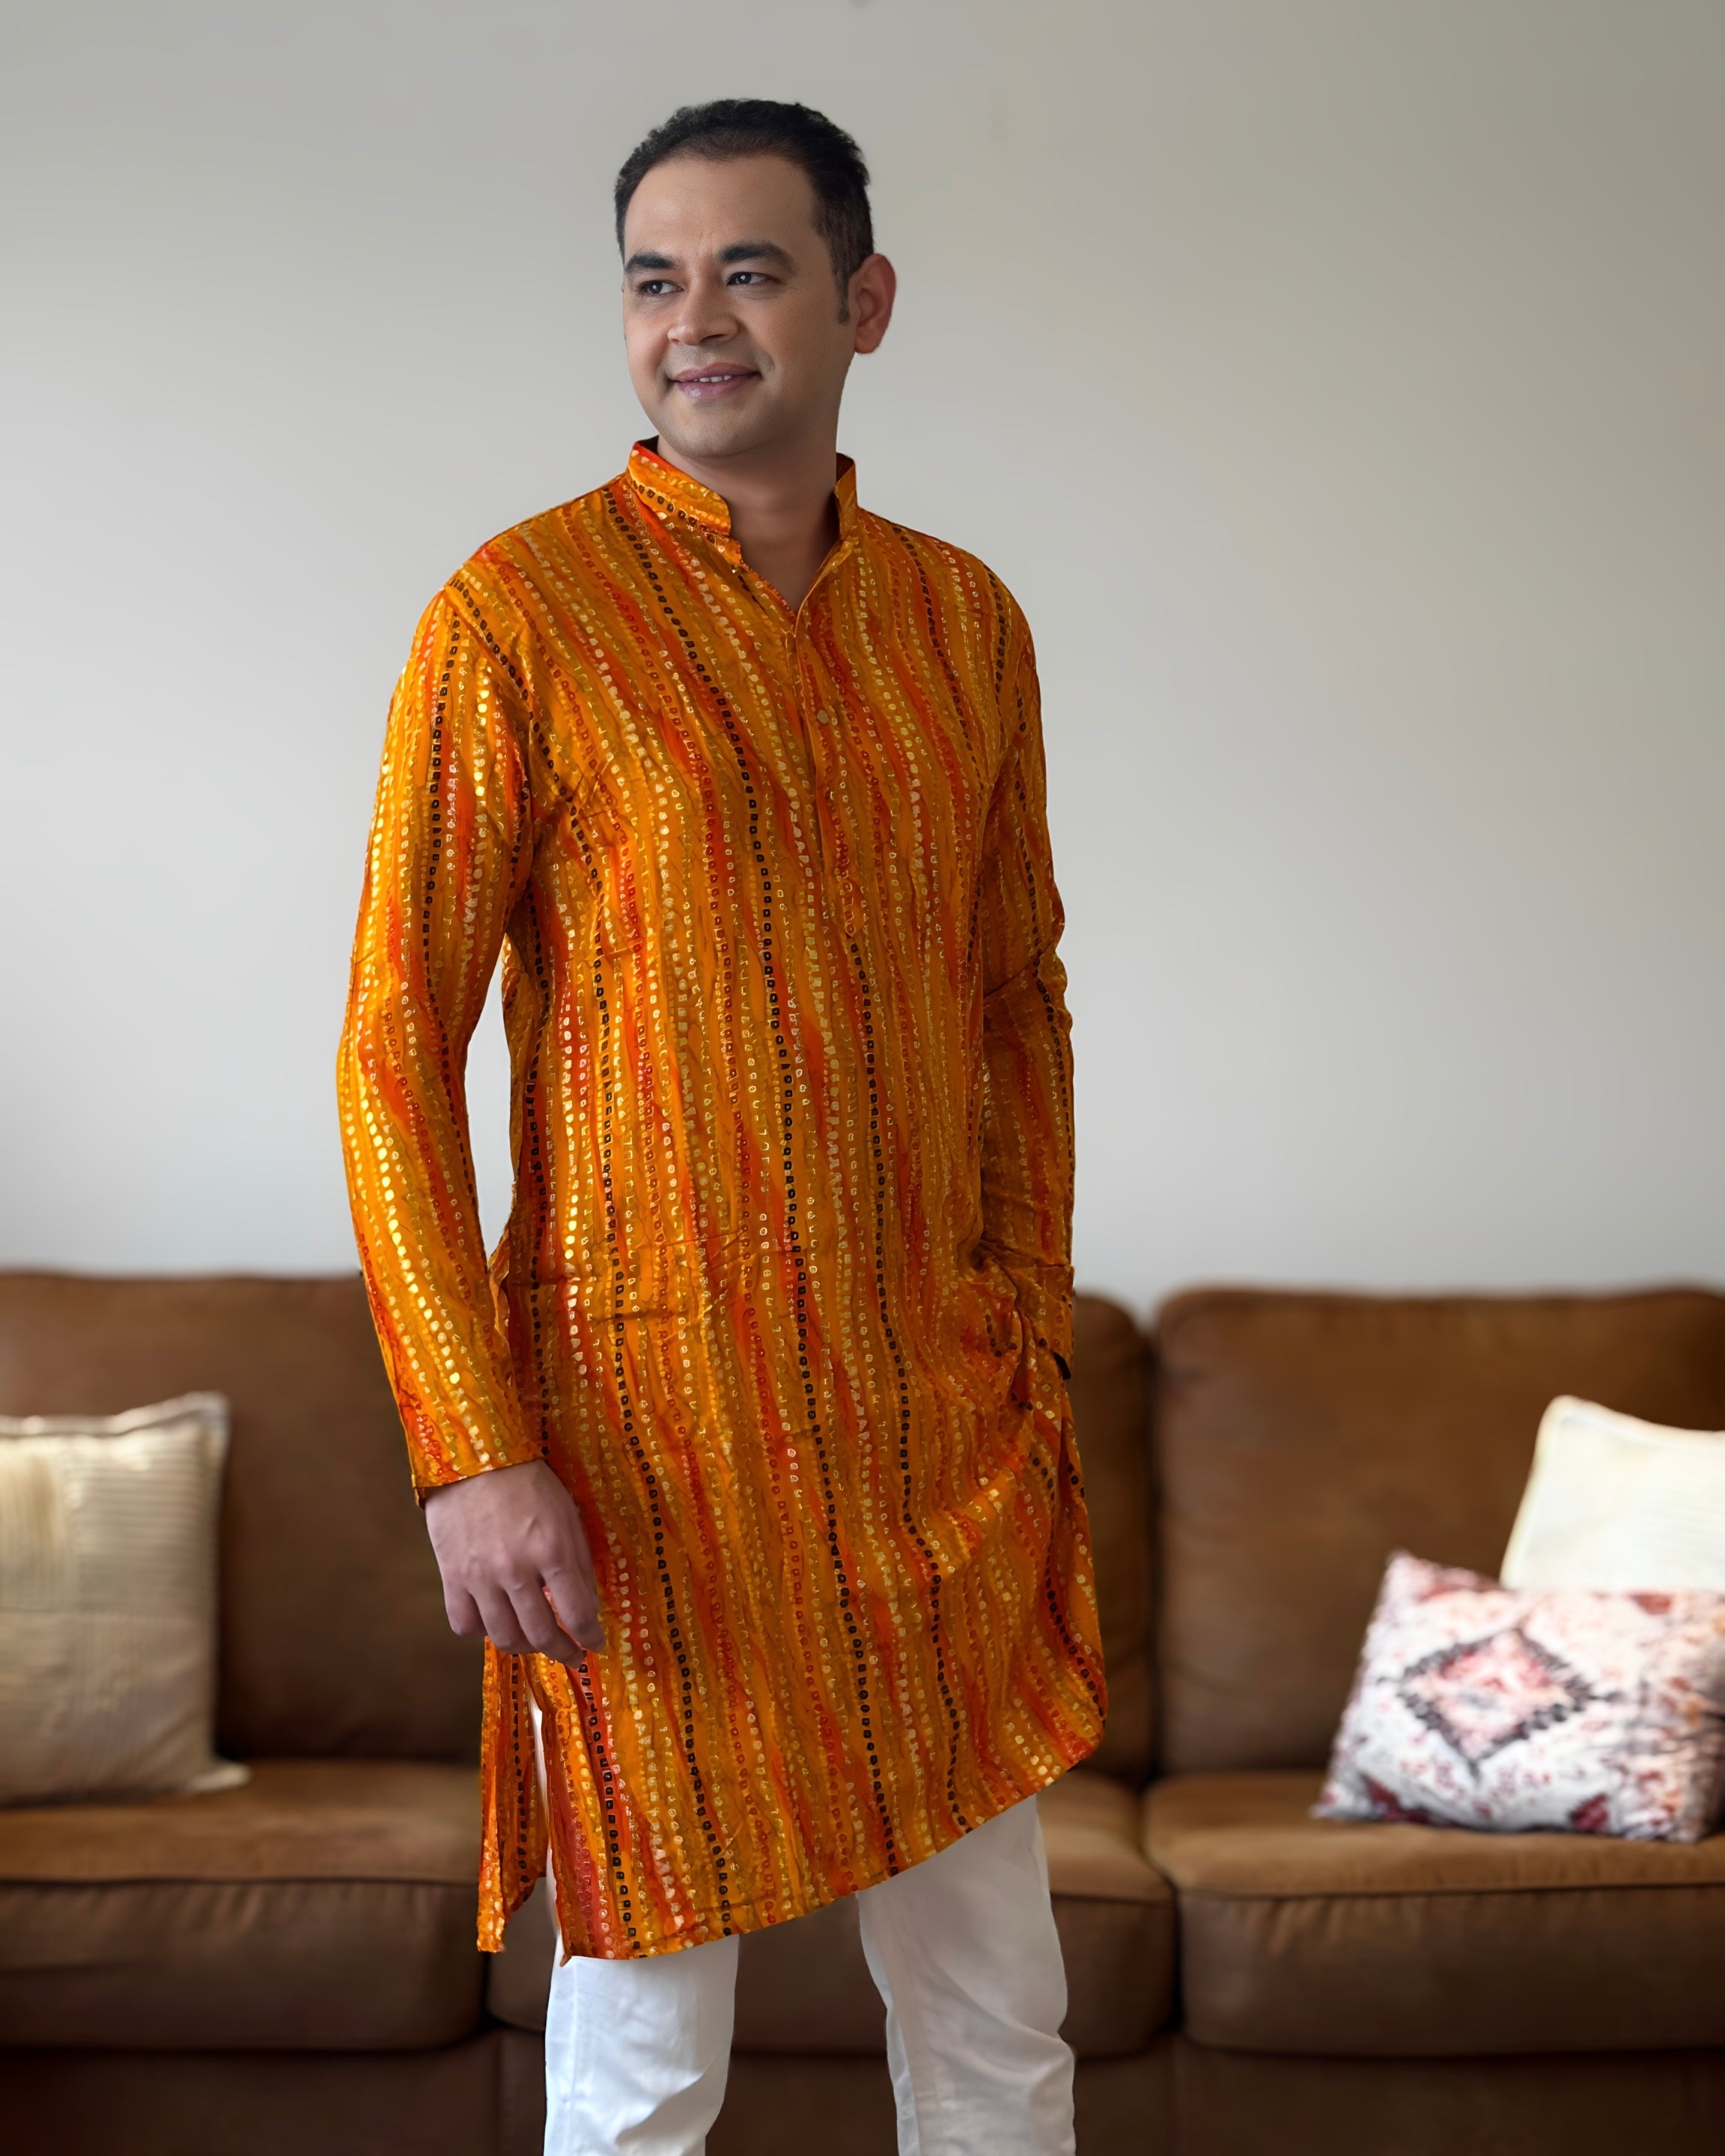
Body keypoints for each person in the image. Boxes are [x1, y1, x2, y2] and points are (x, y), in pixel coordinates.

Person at [336, 97, 1104, 2156]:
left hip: (929, 1438)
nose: (697, 321)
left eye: (749, 270)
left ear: (859, 301)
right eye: (655, 278)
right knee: (648, 2048)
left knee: (997, 2020)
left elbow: (1013, 1003)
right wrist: (472, 1450)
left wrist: (1019, 1331)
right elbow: (389, 1053)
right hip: (642, 1458)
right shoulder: (518, 618)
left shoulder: (965, 629)